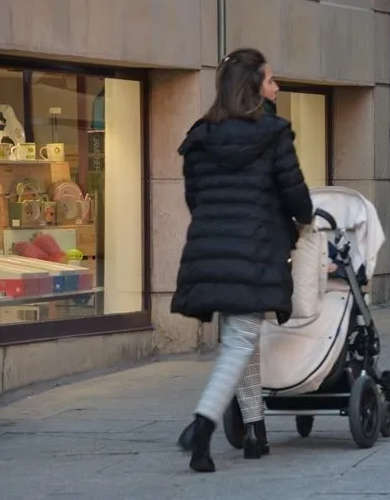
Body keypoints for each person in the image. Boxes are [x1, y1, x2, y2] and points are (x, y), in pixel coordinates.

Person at [172, 47, 314, 473]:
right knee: (239, 341)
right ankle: (202, 424)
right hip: (255, 250)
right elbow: (295, 194)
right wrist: (305, 221)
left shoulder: (200, 136)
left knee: (240, 337)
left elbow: (194, 197)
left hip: (212, 249)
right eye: (271, 80)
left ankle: (254, 431)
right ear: (253, 87)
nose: (277, 86)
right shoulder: (272, 134)